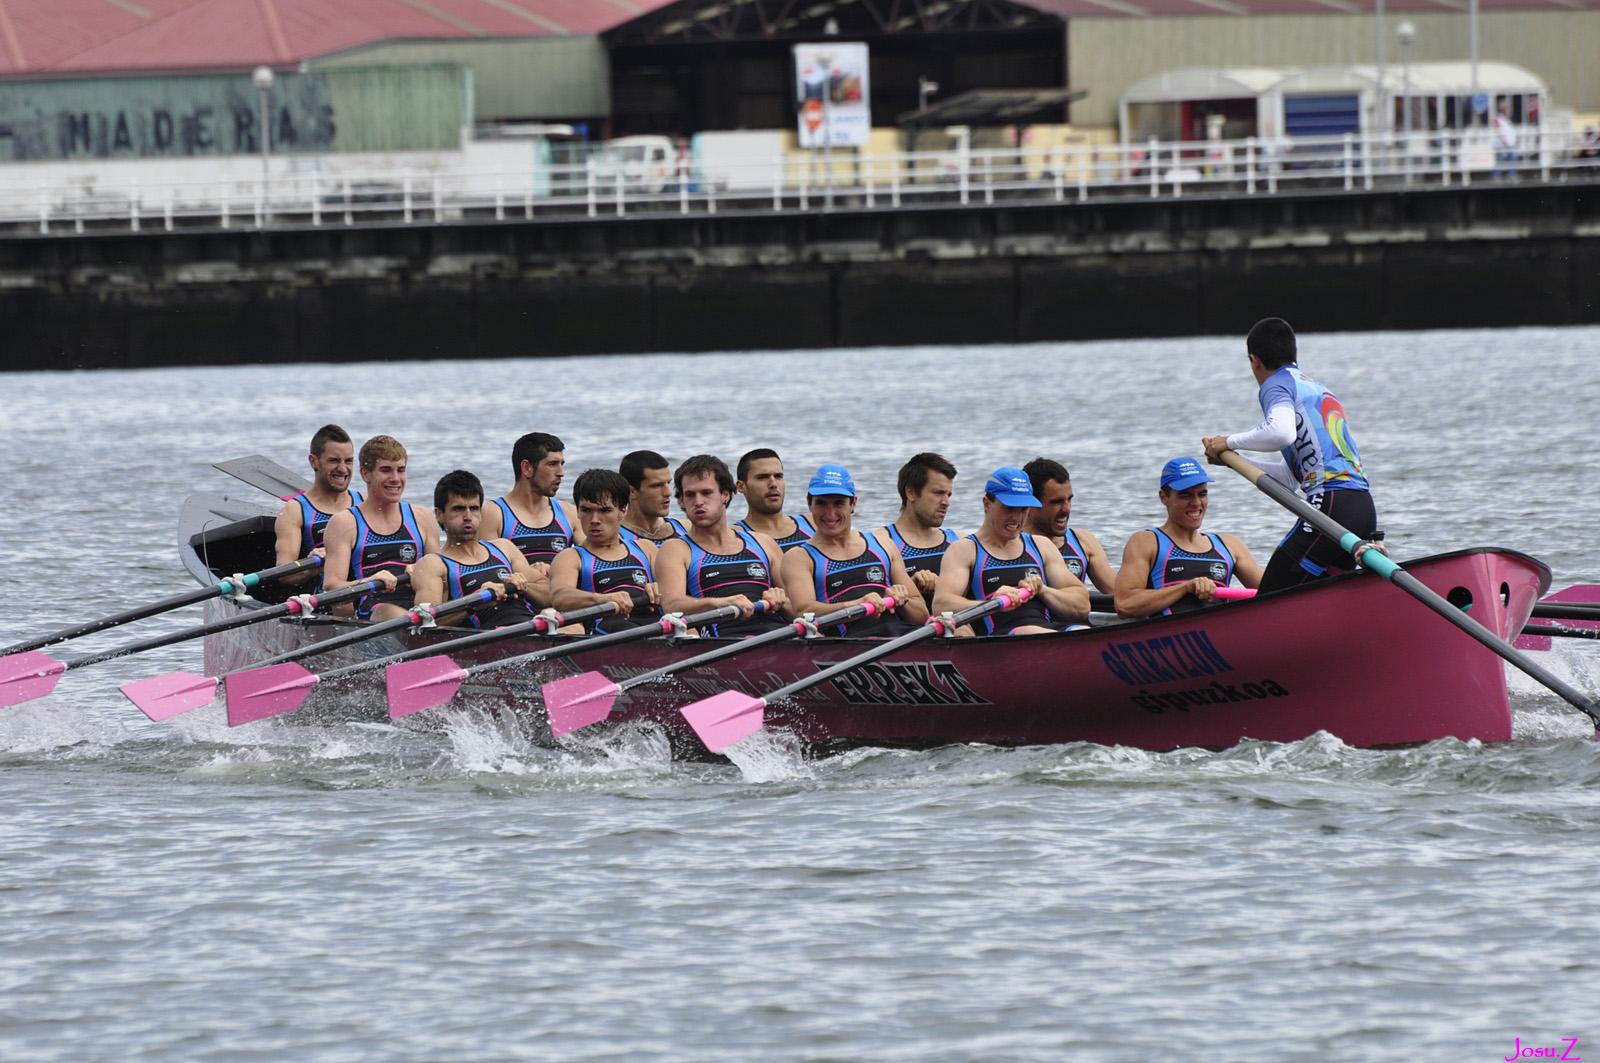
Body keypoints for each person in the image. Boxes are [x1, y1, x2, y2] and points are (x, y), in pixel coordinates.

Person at [1202, 316, 1378, 593]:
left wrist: (1228, 441)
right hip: (1362, 508)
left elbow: (1281, 433)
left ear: (1254, 360)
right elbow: (1290, 478)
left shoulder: (1275, 385)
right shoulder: (1316, 388)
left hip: (1331, 505)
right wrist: (1231, 460)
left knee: (1272, 594)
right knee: (1322, 596)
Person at [934, 467, 1090, 636]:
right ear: (987, 503)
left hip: (1046, 632)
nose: (1017, 518)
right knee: (1034, 632)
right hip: (1000, 639)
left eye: (1023, 509)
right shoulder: (964, 550)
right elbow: (941, 604)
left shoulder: (1041, 546)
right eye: (1009, 508)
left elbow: (1082, 605)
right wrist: (991, 603)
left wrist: (1043, 590)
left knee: (1083, 631)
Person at [781, 464, 926, 636]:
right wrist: (855, 605)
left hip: (902, 638)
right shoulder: (799, 557)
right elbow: (804, 612)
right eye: (821, 503)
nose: (830, 513)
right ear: (809, 503)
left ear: (853, 504)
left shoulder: (883, 545)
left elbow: (922, 615)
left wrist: (903, 600)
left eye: (838, 503)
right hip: (846, 645)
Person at [655, 454, 790, 637]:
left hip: (780, 638)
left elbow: (798, 607)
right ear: (682, 501)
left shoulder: (763, 543)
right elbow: (672, 606)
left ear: (725, 495)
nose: (698, 502)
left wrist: (781, 599)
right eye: (690, 495)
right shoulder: (676, 550)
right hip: (722, 645)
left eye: (706, 493)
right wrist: (718, 604)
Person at [1114, 457, 1263, 618]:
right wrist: (1186, 587)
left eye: (1202, 494)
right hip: (1170, 637)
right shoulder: (1146, 542)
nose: (1196, 503)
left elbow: (1275, 592)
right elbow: (1125, 604)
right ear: (1164, 497)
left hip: (1220, 632)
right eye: (1185, 496)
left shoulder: (1230, 545)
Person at [321, 435, 442, 621]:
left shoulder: (422, 517)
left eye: (400, 470)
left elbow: (444, 576)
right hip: (375, 609)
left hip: (421, 605)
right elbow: (332, 587)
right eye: (386, 470)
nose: (395, 479)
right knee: (387, 612)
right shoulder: (344, 523)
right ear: (365, 474)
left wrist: (423, 571)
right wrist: (369, 581)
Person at [409, 470, 549, 629]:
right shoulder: (433, 564)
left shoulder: (504, 548)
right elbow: (427, 622)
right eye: (458, 509)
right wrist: (476, 601)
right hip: (490, 637)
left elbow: (551, 595)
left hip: (531, 629)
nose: (468, 516)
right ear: (439, 514)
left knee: (574, 627)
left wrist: (525, 587)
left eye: (474, 508)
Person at [550, 469, 662, 634]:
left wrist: (661, 589)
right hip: (609, 629)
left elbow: (676, 592)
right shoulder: (571, 557)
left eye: (604, 510)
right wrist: (604, 599)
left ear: (623, 511)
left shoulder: (646, 549)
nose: (594, 520)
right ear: (578, 512)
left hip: (653, 623)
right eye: (586, 510)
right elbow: (559, 597)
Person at [481, 432, 583, 566]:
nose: (561, 473)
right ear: (527, 468)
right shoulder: (493, 513)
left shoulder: (569, 513)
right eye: (552, 464)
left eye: (561, 464)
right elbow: (489, 571)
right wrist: (529, 573)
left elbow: (593, 559)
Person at [1021, 457, 1117, 593]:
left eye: (1069, 499)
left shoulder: (1083, 542)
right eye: (1057, 502)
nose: (1066, 509)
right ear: (1031, 504)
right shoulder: (1011, 544)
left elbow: (1120, 594)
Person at [273, 424, 363, 566]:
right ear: (313, 461)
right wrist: (311, 564)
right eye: (334, 460)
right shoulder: (294, 511)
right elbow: (285, 574)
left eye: (348, 461)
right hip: (326, 587)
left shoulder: (366, 502)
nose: (342, 468)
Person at [880, 452, 959, 609]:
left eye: (949, 494)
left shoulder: (957, 542)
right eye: (938, 493)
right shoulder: (882, 543)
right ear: (911, 492)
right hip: (907, 630)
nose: (946, 502)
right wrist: (911, 585)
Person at [733, 448, 815, 551]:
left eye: (778, 476)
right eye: (762, 477)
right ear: (741, 486)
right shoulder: (735, 537)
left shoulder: (813, 524)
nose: (773, 484)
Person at [617, 450, 688, 545]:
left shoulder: (686, 529)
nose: (668, 492)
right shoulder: (614, 538)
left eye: (668, 483)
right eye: (657, 485)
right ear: (632, 491)